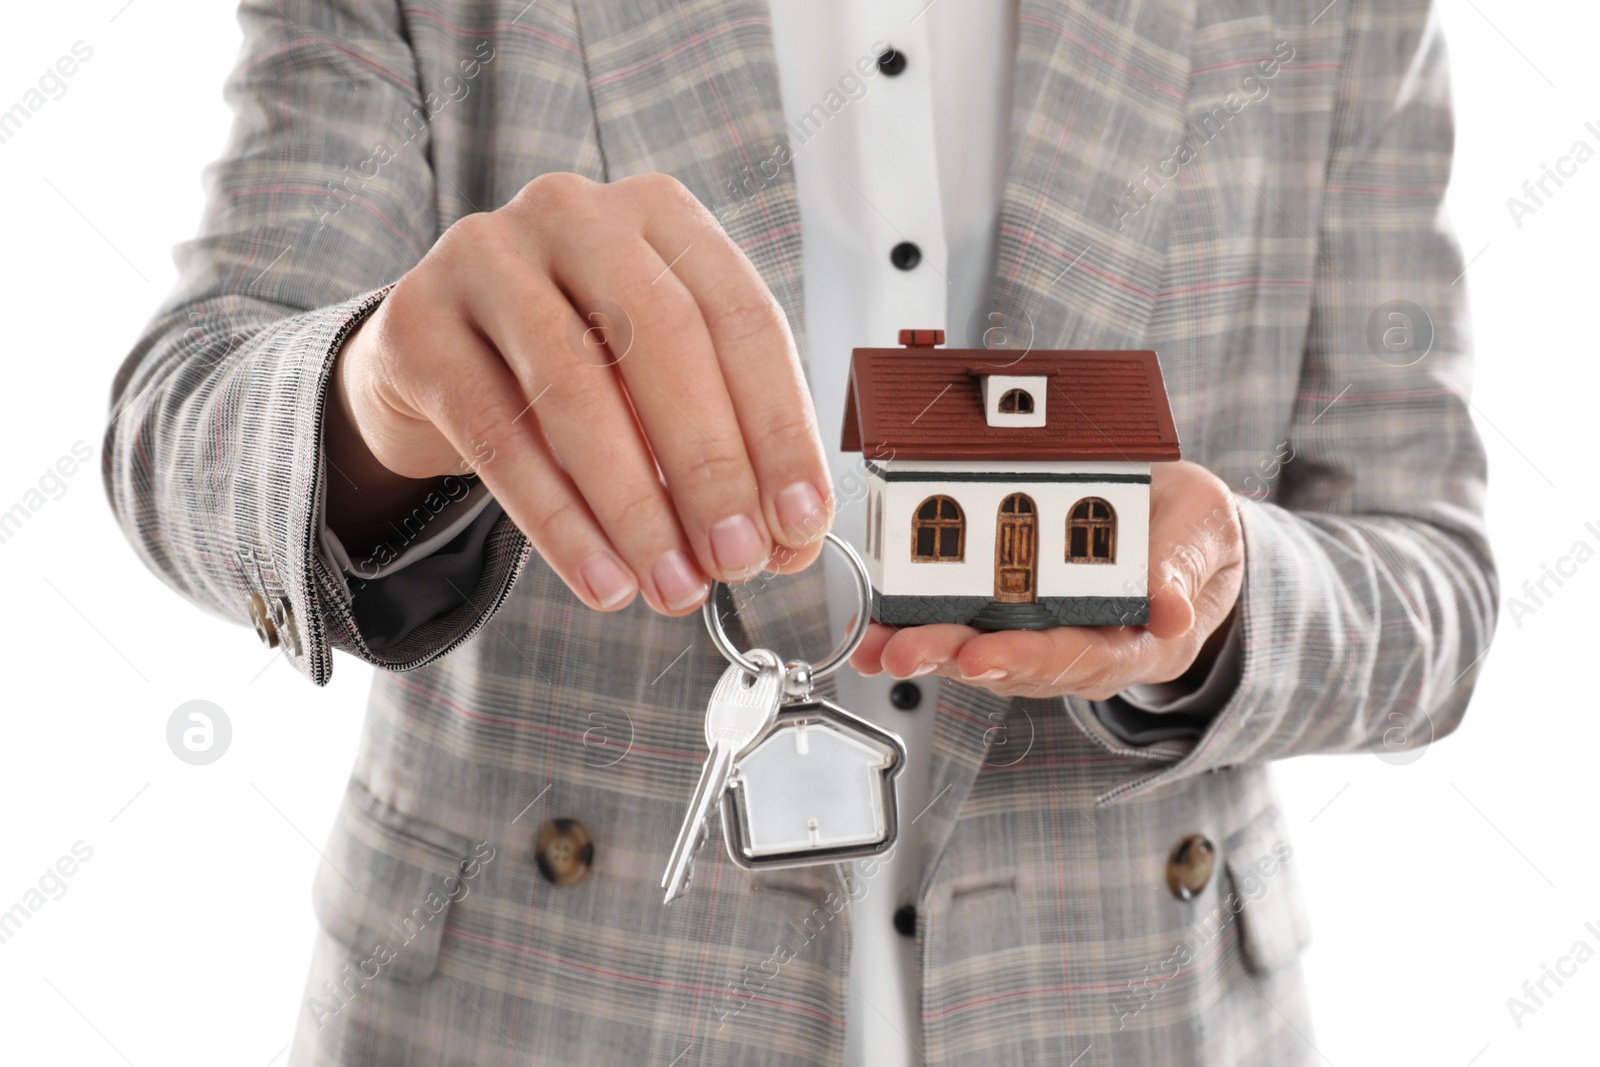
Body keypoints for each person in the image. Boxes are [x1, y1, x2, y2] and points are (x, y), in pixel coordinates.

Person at [102, 1, 1497, 1064]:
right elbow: (180, 422)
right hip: (536, 1001)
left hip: (1139, 998)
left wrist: (1227, 594)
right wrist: (379, 395)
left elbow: (1434, 584)